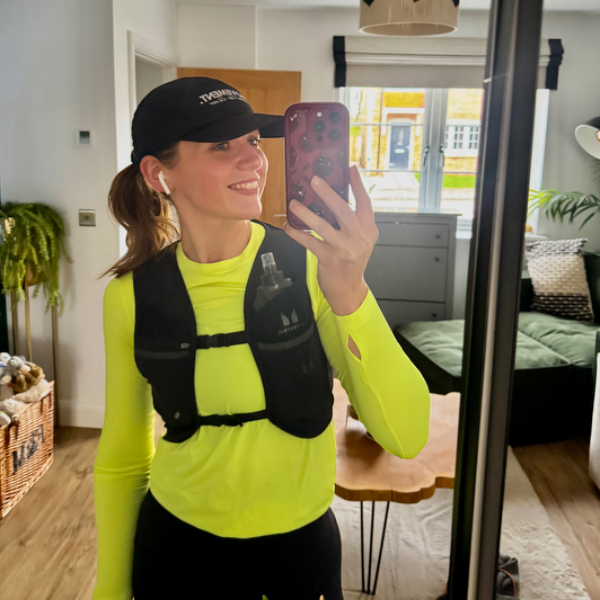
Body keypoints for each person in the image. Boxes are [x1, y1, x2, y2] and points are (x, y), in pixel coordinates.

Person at [93, 77, 430, 600]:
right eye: (221, 145)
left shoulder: (316, 267)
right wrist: (111, 592)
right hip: (176, 551)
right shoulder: (129, 296)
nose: (254, 159)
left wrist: (351, 293)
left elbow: (406, 437)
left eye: (252, 140)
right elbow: (122, 459)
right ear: (159, 174)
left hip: (300, 555)